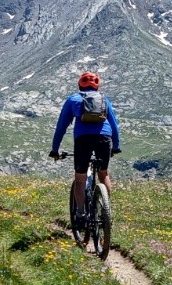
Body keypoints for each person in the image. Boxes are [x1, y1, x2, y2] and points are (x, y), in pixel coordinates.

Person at [49, 71, 121, 224]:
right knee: (103, 174)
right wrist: (116, 146)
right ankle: (106, 212)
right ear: (97, 87)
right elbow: (114, 125)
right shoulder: (104, 99)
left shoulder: (73, 99)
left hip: (83, 139)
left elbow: (61, 126)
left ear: (79, 85)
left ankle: (80, 215)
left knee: (80, 179)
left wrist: (55, 149)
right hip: (104, 138)